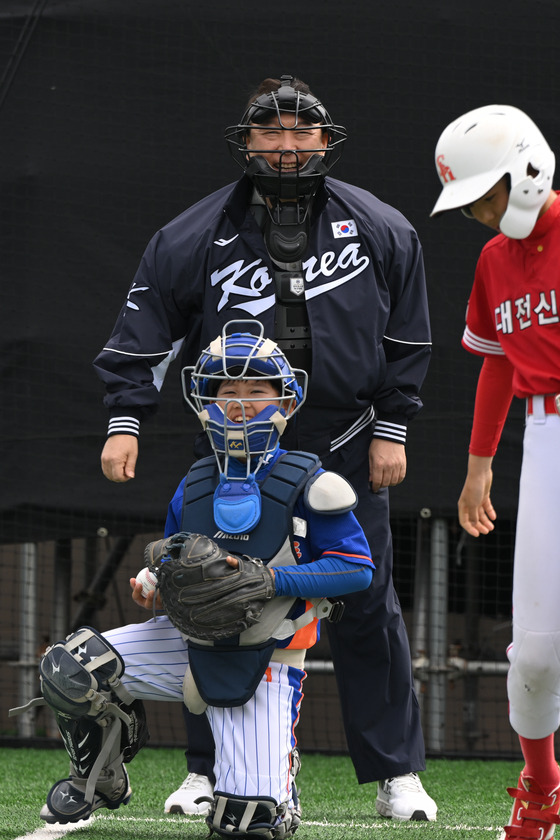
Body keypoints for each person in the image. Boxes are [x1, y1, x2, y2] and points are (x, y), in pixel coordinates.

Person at [94, 75, 436, 822]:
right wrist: (126, 419)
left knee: (368, 598)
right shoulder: (192, 234)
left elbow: (407, 335)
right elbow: (146, 332)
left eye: (301, 132)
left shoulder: (379, 226)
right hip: (232, 450)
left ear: (325, 139)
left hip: (342, 443)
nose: (286, 146)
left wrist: (392, 426)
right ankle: (206, 769)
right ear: (246, 141)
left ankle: (396, 772)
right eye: (270, 132)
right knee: (202, 594)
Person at [24, 327, 374, 839]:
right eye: (225, 392)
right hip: (190, 643)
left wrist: (269, 579)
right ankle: (99, 777)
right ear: (204, 400)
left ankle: (281, 785)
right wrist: (154, 580)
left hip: (267, 653)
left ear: (287, 398)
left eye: (256, 391)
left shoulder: (312, 483)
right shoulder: (194, 482)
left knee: (245, 824)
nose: (240, 404)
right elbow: (176, 558)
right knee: (68, 670)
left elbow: (357, 568)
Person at [431, 104, 560, 840]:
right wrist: (479, 468)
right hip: (544, 438)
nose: (480, 212)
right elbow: (496, 363)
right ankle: (541, 783)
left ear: (528, 166)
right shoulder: (493, 262)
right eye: (472, 200)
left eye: (485, 192)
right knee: (537, 650)